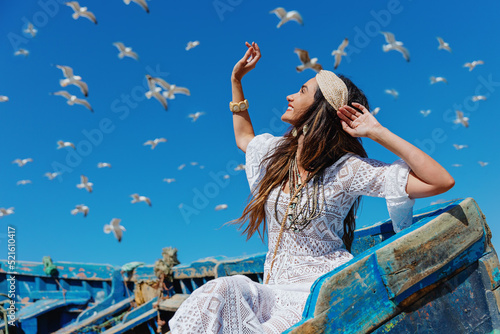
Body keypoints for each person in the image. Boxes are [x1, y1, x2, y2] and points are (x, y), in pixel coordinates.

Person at [168, 42, 454, 333]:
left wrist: (377, 132)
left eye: (302, 91)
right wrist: (236, 81)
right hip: (273, 290)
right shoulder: (277, 156)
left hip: (319, 296)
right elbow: (245, 139)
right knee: (218, 292)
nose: (290, 96)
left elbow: (439, 181)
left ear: (320, 110)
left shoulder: (347, 170)